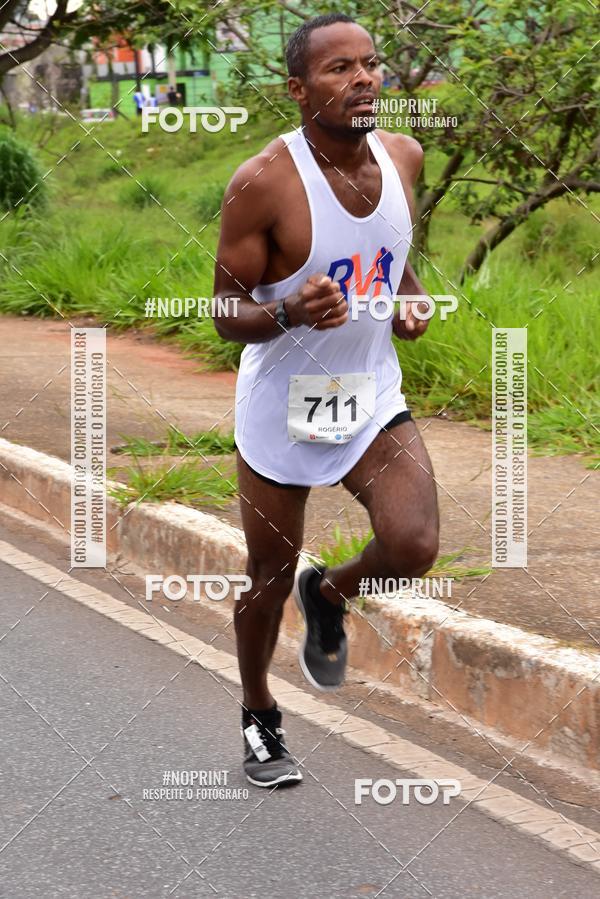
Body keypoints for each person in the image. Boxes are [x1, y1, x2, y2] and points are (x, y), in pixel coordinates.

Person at [213, 13, 439, 787]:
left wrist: (410, 302)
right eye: (340, 68)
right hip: (283, 399)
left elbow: (394, 256)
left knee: (411, 545)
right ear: (299, 87)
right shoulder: (263, 182)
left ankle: (330, 592)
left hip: (366, 391)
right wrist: (288, 311)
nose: (364, 79)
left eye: (371, 64)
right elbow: (222, 314)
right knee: (266, 575)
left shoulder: (404, 154)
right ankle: (258, 714)